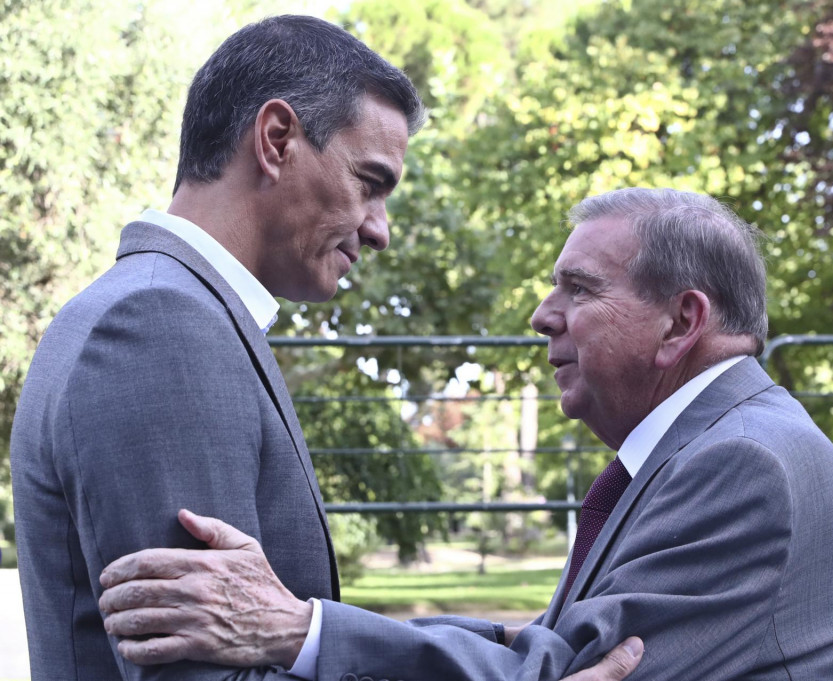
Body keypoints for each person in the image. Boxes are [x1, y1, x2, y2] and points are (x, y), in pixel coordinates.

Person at [9, 14, 635, 681]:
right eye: (371, 183)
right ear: (276, 140)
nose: (381, 231)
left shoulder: (157, 308)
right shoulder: (162, 326)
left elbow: (281, 624)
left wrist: (501, 641)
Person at [99, 188, 833, 680]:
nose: (542, 315)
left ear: (682, 321)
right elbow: (550, 644)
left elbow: (562, 667)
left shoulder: (742, 463)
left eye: (578, 289)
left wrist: (295, 630)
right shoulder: (721, 443)